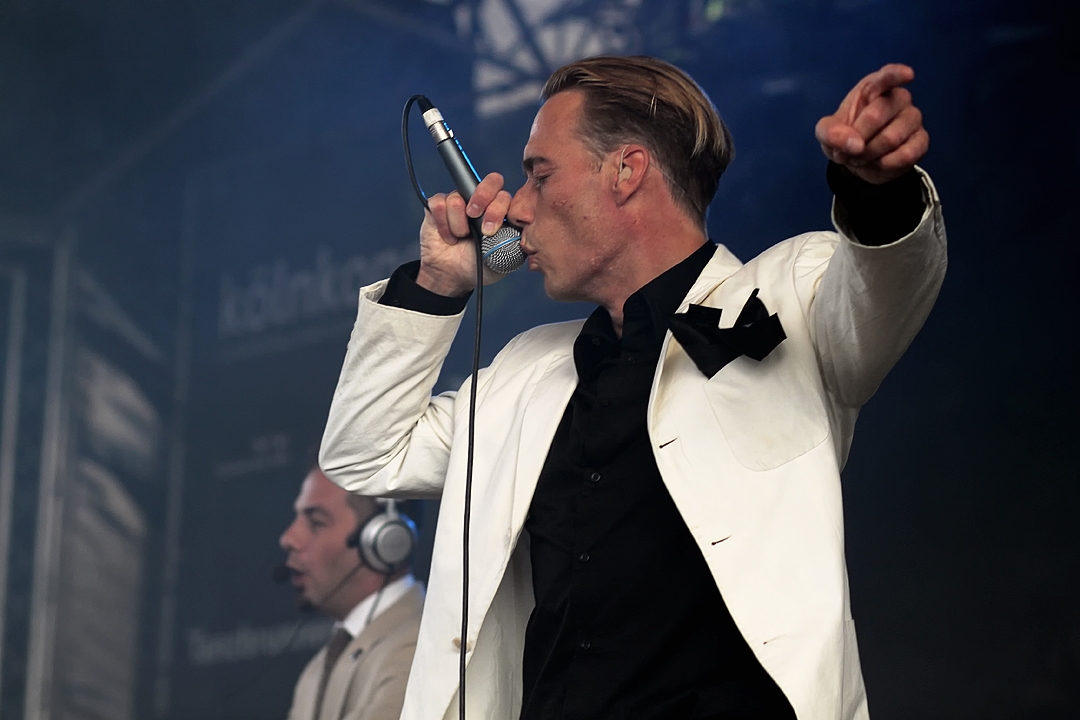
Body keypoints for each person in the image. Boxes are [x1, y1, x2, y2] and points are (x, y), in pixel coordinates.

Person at [319, 55, 946, 720]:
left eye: (540, 175)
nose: (518, 208)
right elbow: (366, 455)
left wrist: (876, 191)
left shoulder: (788, 293)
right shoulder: (525, 374)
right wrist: (437, 284)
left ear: (626, 171)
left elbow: (883, 287)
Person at [280, 466, 423, 720]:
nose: (288, 538)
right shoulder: (315, 672)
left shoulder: (422, 646)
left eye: (316, 522)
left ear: (386, 540)